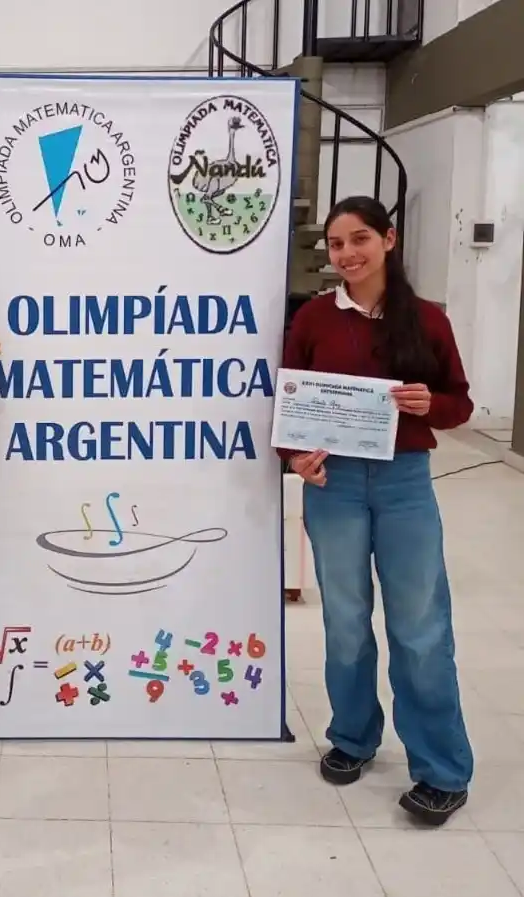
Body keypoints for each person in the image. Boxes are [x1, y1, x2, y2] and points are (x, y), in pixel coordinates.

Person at [279, 195, 474, 826]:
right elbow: (290, 402)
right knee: (344, 618)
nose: (346, 255)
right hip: (332, 484)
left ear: (388, 240)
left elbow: (459, 401)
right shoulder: (312, 318)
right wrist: (295, 458)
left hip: (404, 483)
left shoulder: (426, 320)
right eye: (336, 245)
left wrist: (429, 406)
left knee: (420, 626)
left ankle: (442, 769)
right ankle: (353, 736)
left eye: (359, 239)